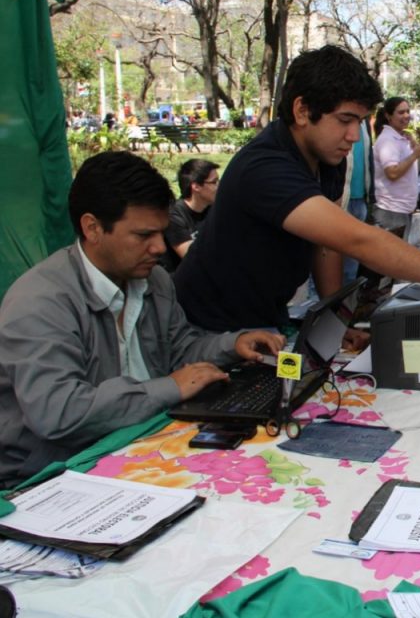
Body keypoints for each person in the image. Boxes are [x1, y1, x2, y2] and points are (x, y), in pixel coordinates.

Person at [174, 45, 420, 333]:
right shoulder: (265, 167)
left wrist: (335, 326)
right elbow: (359, 240)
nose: (354, 136)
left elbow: (328, 243)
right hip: (207, 327)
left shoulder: (327, 159)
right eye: (345, 120)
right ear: (302, 110)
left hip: (265, 317)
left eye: (360, 121)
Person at [0, 152, 284, 488]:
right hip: (47, 476)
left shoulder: (154, 280)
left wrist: (232, 345)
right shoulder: (40, 301)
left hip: (137, 449)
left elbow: (179, 352)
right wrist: (170, 387)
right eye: (143, 235)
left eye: (161, 233)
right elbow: (59, 412)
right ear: (92, 228)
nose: (159, 247)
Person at [372, 96, 420, 231]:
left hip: (403, 209)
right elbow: (392, 173)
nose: (406, 116)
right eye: (401, 112)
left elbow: (412, 170)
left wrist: (413, 147)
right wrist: (414, 155)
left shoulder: (402, 137)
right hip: (391, 211)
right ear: (388, 116)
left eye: (407, 111)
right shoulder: (387, 140)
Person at [160, 159, 219, 272]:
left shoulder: (212, 209)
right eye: (214, 182)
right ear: (196, 186)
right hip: (183, 278)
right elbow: (193, 259)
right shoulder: (174, 216)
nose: (219, 186)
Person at [343, 119, 373, 283]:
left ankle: (348, 296)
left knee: (352, 260)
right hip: (340, 199)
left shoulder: (364, 124)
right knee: (330, 254)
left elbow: (368, 160)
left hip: (360, 198)